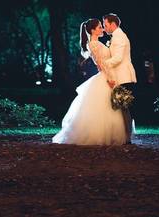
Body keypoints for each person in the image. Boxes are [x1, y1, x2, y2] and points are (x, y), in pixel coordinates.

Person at [51, 19, 130, 145]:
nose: (102, 29)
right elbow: (100, 64)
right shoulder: (93, 44)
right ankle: (102, 135)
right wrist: (110, 79)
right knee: (106, 107)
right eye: (99, 27)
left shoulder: (97, 43)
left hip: (107, 75)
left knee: (112, 106)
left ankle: (116, 134)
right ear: (93, 30)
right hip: (105, 77)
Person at [103, 13, 137, 142]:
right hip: (120, 76)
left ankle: (127, 137)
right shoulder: (116, 36)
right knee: (122, 106)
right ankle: (124, 136)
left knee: (125, 107)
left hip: (124, 76)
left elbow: (118, 58)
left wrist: (104, 64)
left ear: (113, 24)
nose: (105, 28)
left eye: (106, 25)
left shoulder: (119, 37)